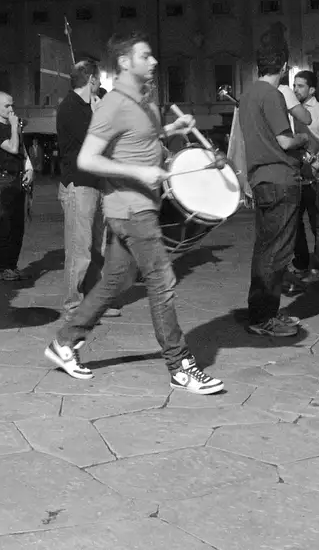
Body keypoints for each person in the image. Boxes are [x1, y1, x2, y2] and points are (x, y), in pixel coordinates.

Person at [43, 33, 223, 393]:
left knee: (113, 282)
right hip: (129, 208)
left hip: (143, 205)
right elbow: (87, 158)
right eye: (145, 55)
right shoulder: (112, 106)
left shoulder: (144, 102)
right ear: (125, 62)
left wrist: (173, 129)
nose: (154, 61)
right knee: (162, 280)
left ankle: (64, 342)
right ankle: (180, 364)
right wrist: (138, 173)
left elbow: (144, 141)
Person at [234, 46, 318, 338]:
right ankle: (264, 317)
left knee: (264, 249)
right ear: (283, 66)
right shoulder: (273, 95)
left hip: (261, 177)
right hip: (280, 177)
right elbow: (284, 141)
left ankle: (262, 311)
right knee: (277, 251)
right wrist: (304, 139)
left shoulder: (246, 95)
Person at [57, 59, 116, 316]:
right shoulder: (71, 107)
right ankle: (74, 303)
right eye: (99, 79)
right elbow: (96, 142)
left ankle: (95, 301)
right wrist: (98, 113)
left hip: (96, 183)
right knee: (79, 248)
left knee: (97, 247)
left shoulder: (89, 105)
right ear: (91, 79)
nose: (101, 83)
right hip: (79, 185)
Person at [288, 70, 319, 282]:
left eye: (300, 86)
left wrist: (318, 163)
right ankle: (301, 263)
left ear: (312, 90)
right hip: (296, 175)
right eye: (294, 85)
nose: (295, 89)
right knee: (295, 223)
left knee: (318, 223)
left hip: (316, 178)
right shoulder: (290, 111)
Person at [0, 92, 33, 281]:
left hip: (18, 179)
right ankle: (1, 267)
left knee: (17, 226)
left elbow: (21, 151)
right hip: (4, 180)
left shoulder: (14, 128)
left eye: (12, 105)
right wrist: (14, 126)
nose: (11, 109)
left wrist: (29, 169)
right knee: (4, 225)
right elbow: (13, 147)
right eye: (6, 106)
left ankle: (12, 265)